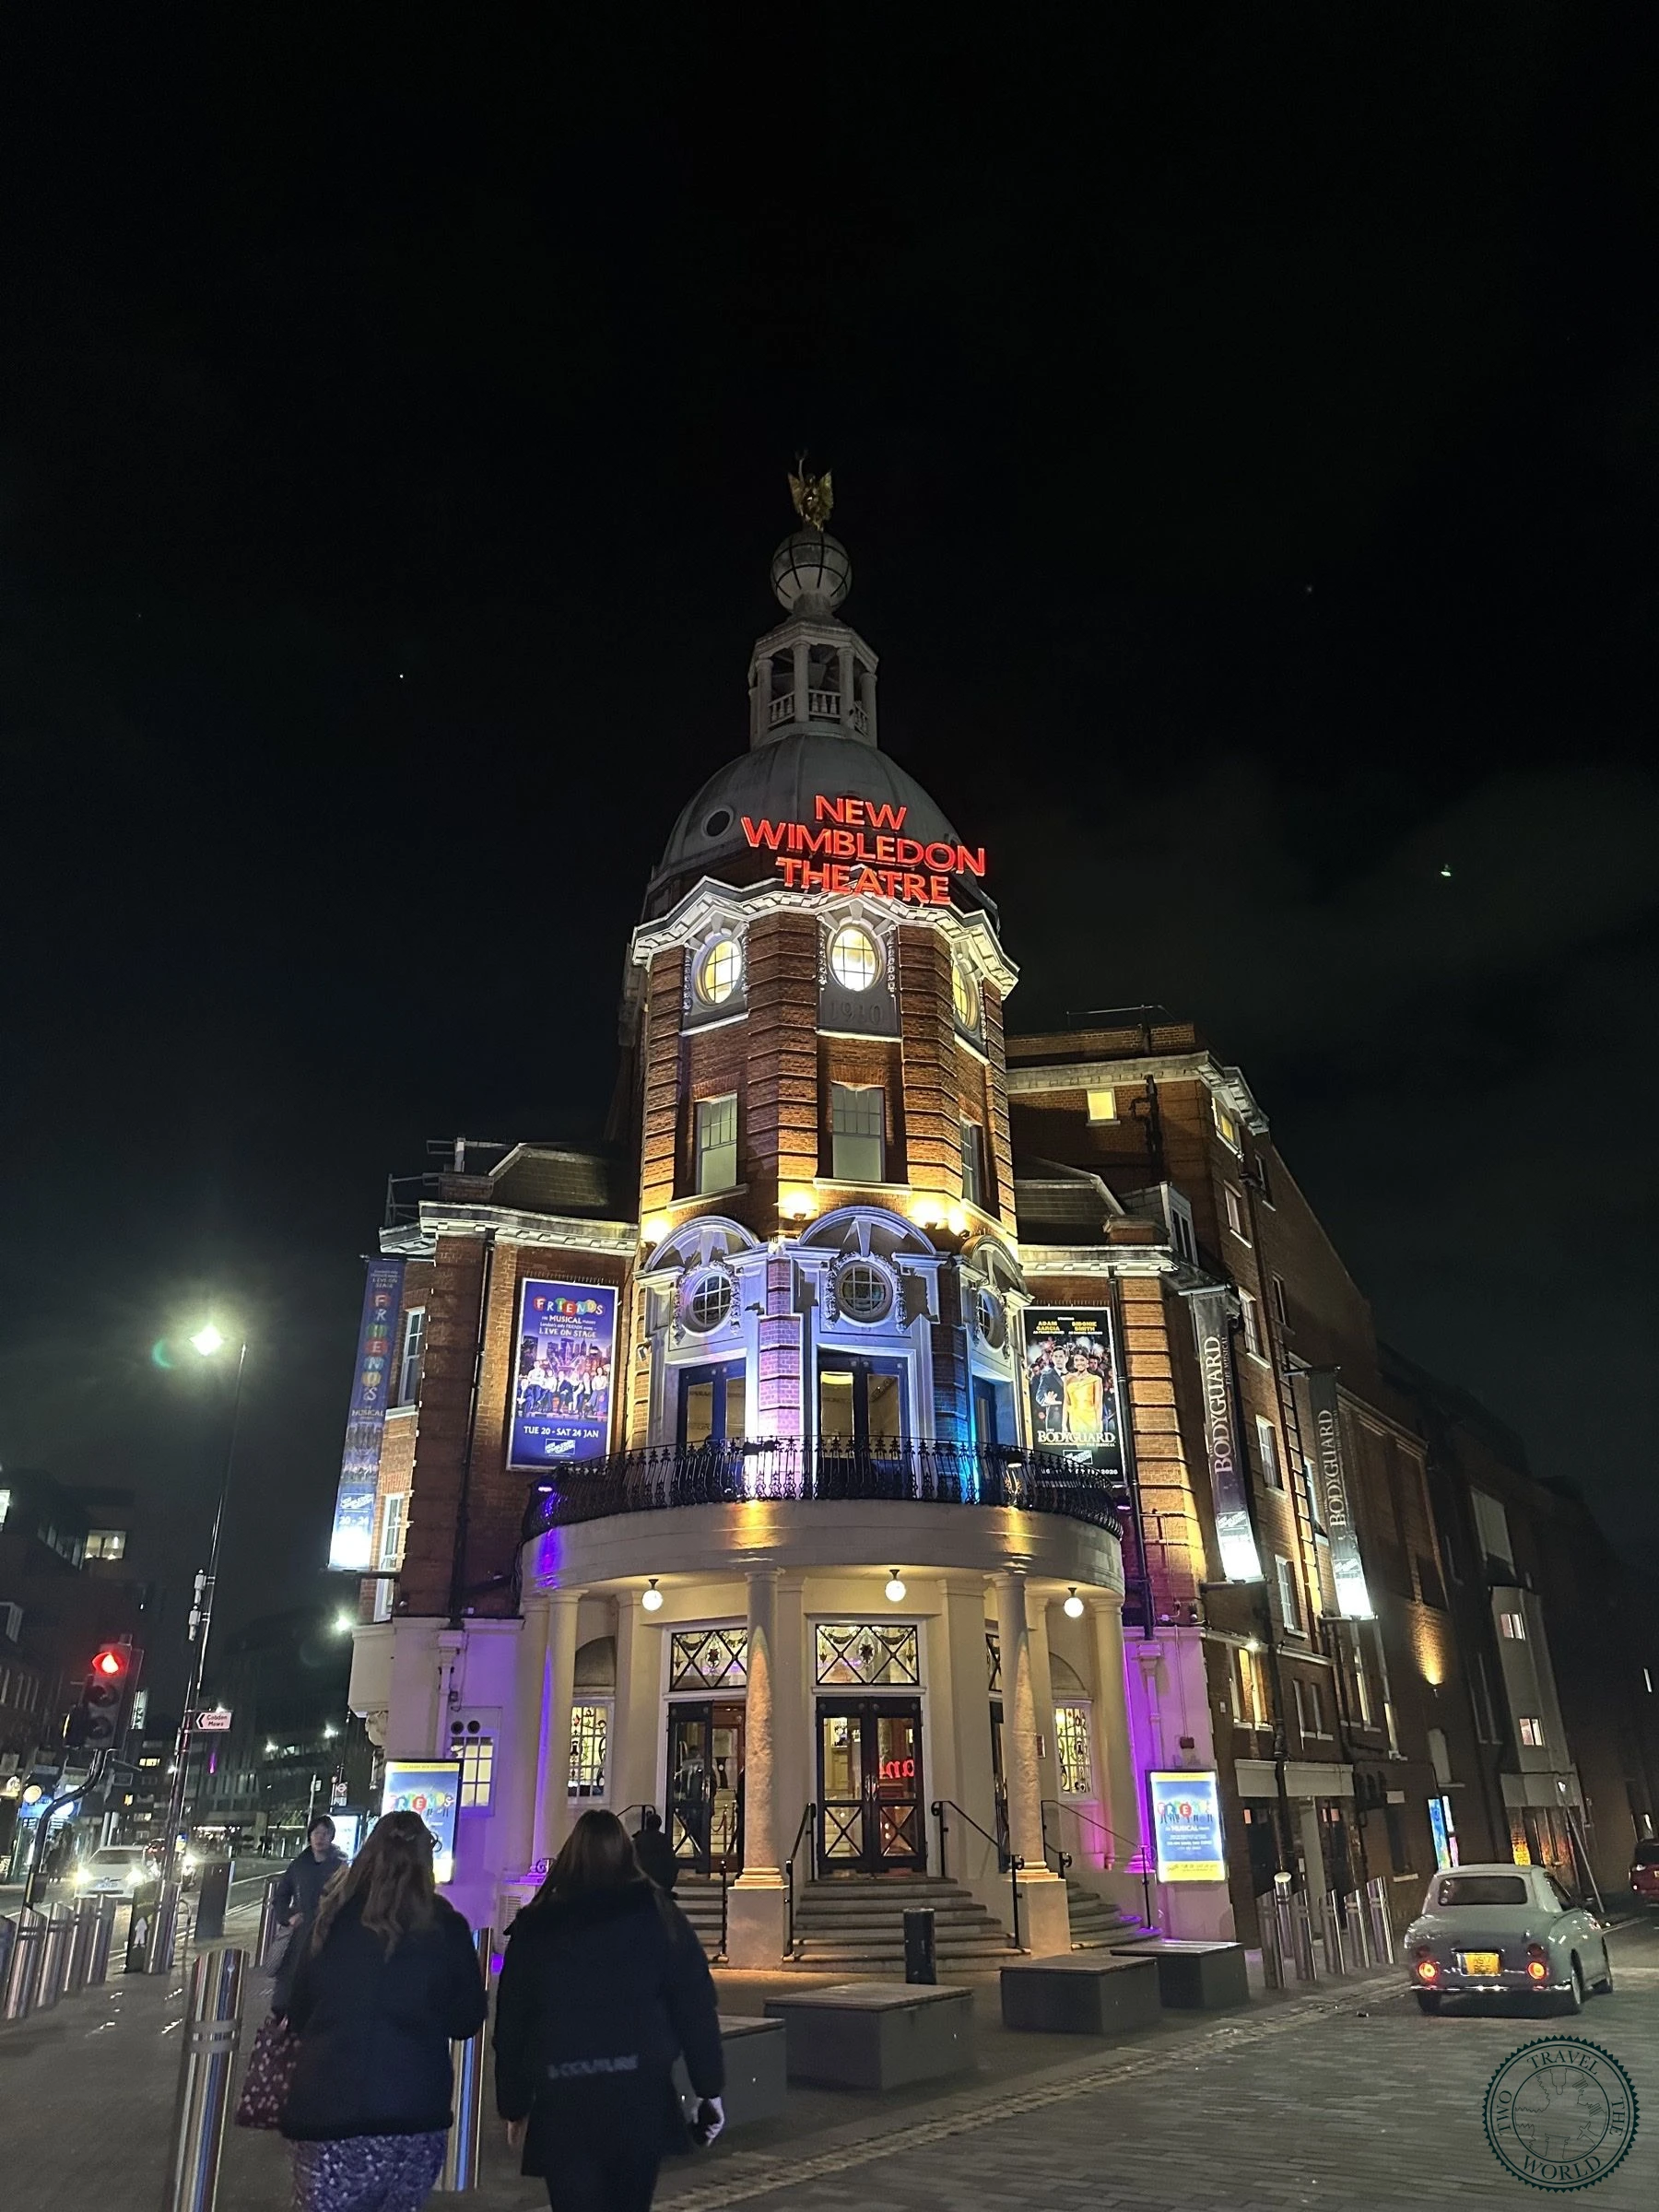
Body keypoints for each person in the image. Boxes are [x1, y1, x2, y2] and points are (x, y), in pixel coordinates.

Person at [494, 1808, 724, 2212]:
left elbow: (513, 2021)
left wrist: (513, 2105)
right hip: (638, 2095)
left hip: (564, 2097)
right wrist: (709, 2088)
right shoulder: (657, 1916)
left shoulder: (538, 1924)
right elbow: (695, 2006)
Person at [280, 1810, 488, 2212]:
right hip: (412, 2112)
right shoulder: (444, 1925)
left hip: (327, 2110)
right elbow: (466, 2019)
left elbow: (299, 2010)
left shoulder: (331, 1919)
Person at [271, 1815, 347, 2016]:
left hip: (330, 1937)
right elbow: (280, 1897)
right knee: (288, 1996)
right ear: (310, 1836)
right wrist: (288, 1916)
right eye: (316, 1833)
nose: (320, 1838)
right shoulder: (298, 1865)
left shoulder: (341, 1867)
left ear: (332, 1836)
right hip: (299, 1938)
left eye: (325, 1833)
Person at [630, 1807, 677, 1894]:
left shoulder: (639, 1840)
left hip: (642, 1881)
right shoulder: (665, 1841)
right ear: (659, 1825)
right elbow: (672, 1864)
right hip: (661, 1881)